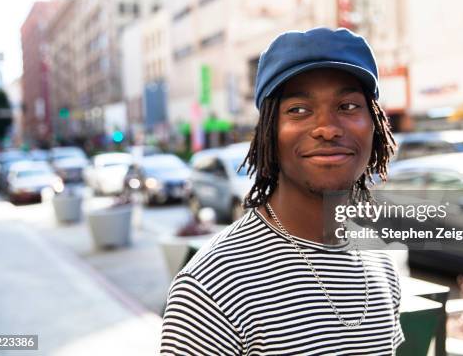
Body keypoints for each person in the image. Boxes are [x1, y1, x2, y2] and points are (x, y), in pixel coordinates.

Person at [161, 27, 404, 355]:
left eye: (347, 106)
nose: (328, 128)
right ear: (269, 133)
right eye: (299, 110)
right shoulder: (211, 286)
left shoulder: (379, 261)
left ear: (374, 126)